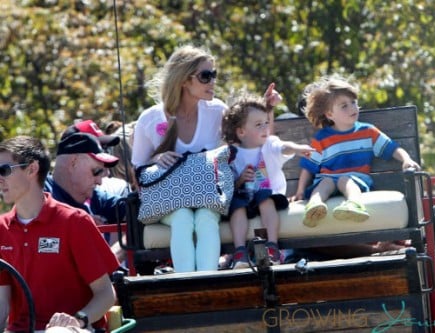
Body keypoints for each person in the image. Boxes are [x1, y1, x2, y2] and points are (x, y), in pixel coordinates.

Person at [131, 44, 282, 273]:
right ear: (184, 80)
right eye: (205, 76)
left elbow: (247, 134)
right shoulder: (150, 119)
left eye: (214, 75)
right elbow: (138, 170)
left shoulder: (216, 111)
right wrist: (157, 158)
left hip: (207, 195)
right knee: (182, 218)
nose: (212, 81)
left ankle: (207, 281)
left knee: (206, 217)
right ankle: (187, 282)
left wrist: (266, 106)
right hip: (170, 199)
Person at [0, 136, 119, 332]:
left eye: (4, 170)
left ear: (31, 169)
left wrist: (78, 320)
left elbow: (106, 293)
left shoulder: (75, 222)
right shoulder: (2, 228)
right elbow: (2, 303)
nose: (0, 179)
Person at [291, 75, 420, 227]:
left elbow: (392, 148)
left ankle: (354, 204)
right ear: (330, 114)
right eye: (344, 106)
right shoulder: (321, 139)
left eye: (353, 102)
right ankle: (314, 206)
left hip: (356, 179)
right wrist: (300, 190)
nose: (352, 108)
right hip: (328, 178)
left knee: (345, 180)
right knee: (324, 182)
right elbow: (308, 167)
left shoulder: (367, 131)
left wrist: (406, 159)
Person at [221, 93, 315, 269]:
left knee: (265, 199)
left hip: (267, 196)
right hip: (243, 197)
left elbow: (284, 147)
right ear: (241, 132)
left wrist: (297, 149)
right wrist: (241, 179)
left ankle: (272, 246)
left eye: (266, 123)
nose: (265, 128)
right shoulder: (231, 153)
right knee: (236, 208)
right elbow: (228, 184)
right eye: (258, 125)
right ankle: (239, 251)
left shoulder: (269, 144)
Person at [44, 132, 128, 263]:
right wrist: (83, 223)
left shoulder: (96, 196)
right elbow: (44, 244)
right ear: (73, 163)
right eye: (96, 172)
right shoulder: (40, 193)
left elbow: (137, 210)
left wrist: (114, 255)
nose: (100, 181)